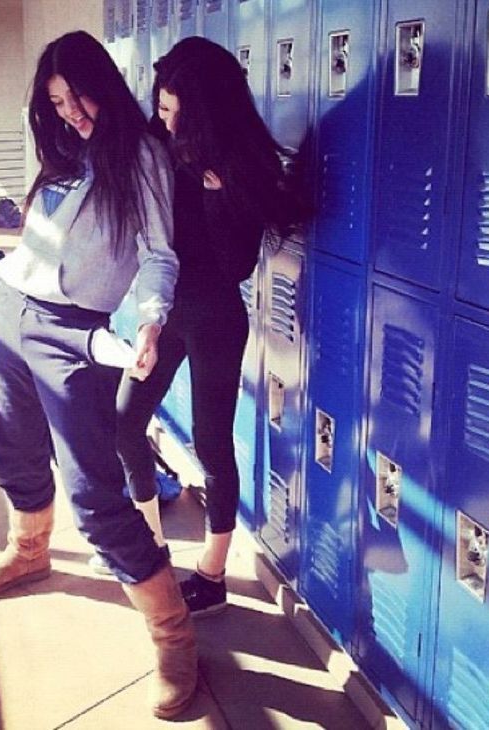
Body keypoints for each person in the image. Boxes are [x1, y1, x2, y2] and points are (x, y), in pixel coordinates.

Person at [0, 31, 197, 719]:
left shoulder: (142, 155)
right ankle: (27, 550)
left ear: (104, 83)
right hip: (12, 309)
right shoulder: (63, 153)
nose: (69, 113)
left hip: (72, 334)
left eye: (77, 96)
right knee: (12, 449)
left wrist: (149, 320)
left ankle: (173, 637)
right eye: (56, 102)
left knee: (95, 493)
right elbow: (42, 245)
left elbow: (158, 255)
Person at [115, 36, 303, 617]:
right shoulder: (157, 143)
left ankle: (213, 573)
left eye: (175, 113)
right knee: (124, 420)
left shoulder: (243, 163)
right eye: (162, 108)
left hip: (217, 314)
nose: (165, 122)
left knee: (212, 443)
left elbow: (236, 267)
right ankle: (148, 553)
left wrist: (219, 198)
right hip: (165, 308)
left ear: (206, 111)